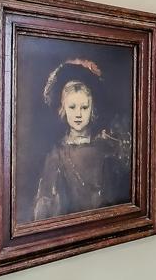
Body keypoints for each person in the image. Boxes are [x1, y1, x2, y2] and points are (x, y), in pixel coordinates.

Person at [33, 58, 131, 221]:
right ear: (63, 110)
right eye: (72, 107)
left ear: (92, 111)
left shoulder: (105, 148)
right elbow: (45, 205)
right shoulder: (57, 154)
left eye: (84, 107)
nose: (78, 114)